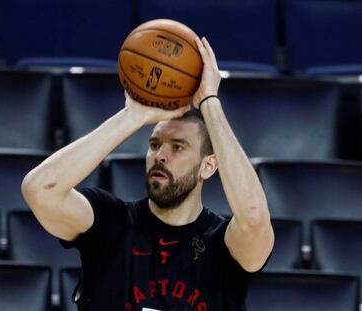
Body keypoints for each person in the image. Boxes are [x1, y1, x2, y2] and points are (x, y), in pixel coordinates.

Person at [22, 37, 274, 310]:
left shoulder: (223, 242)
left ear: (208, 166)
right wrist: (132, 115)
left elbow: (253, 218)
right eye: (155, 145)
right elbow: (39, 189)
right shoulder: (111, 221)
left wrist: (210, 103)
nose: (160, 155)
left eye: (178, 147)